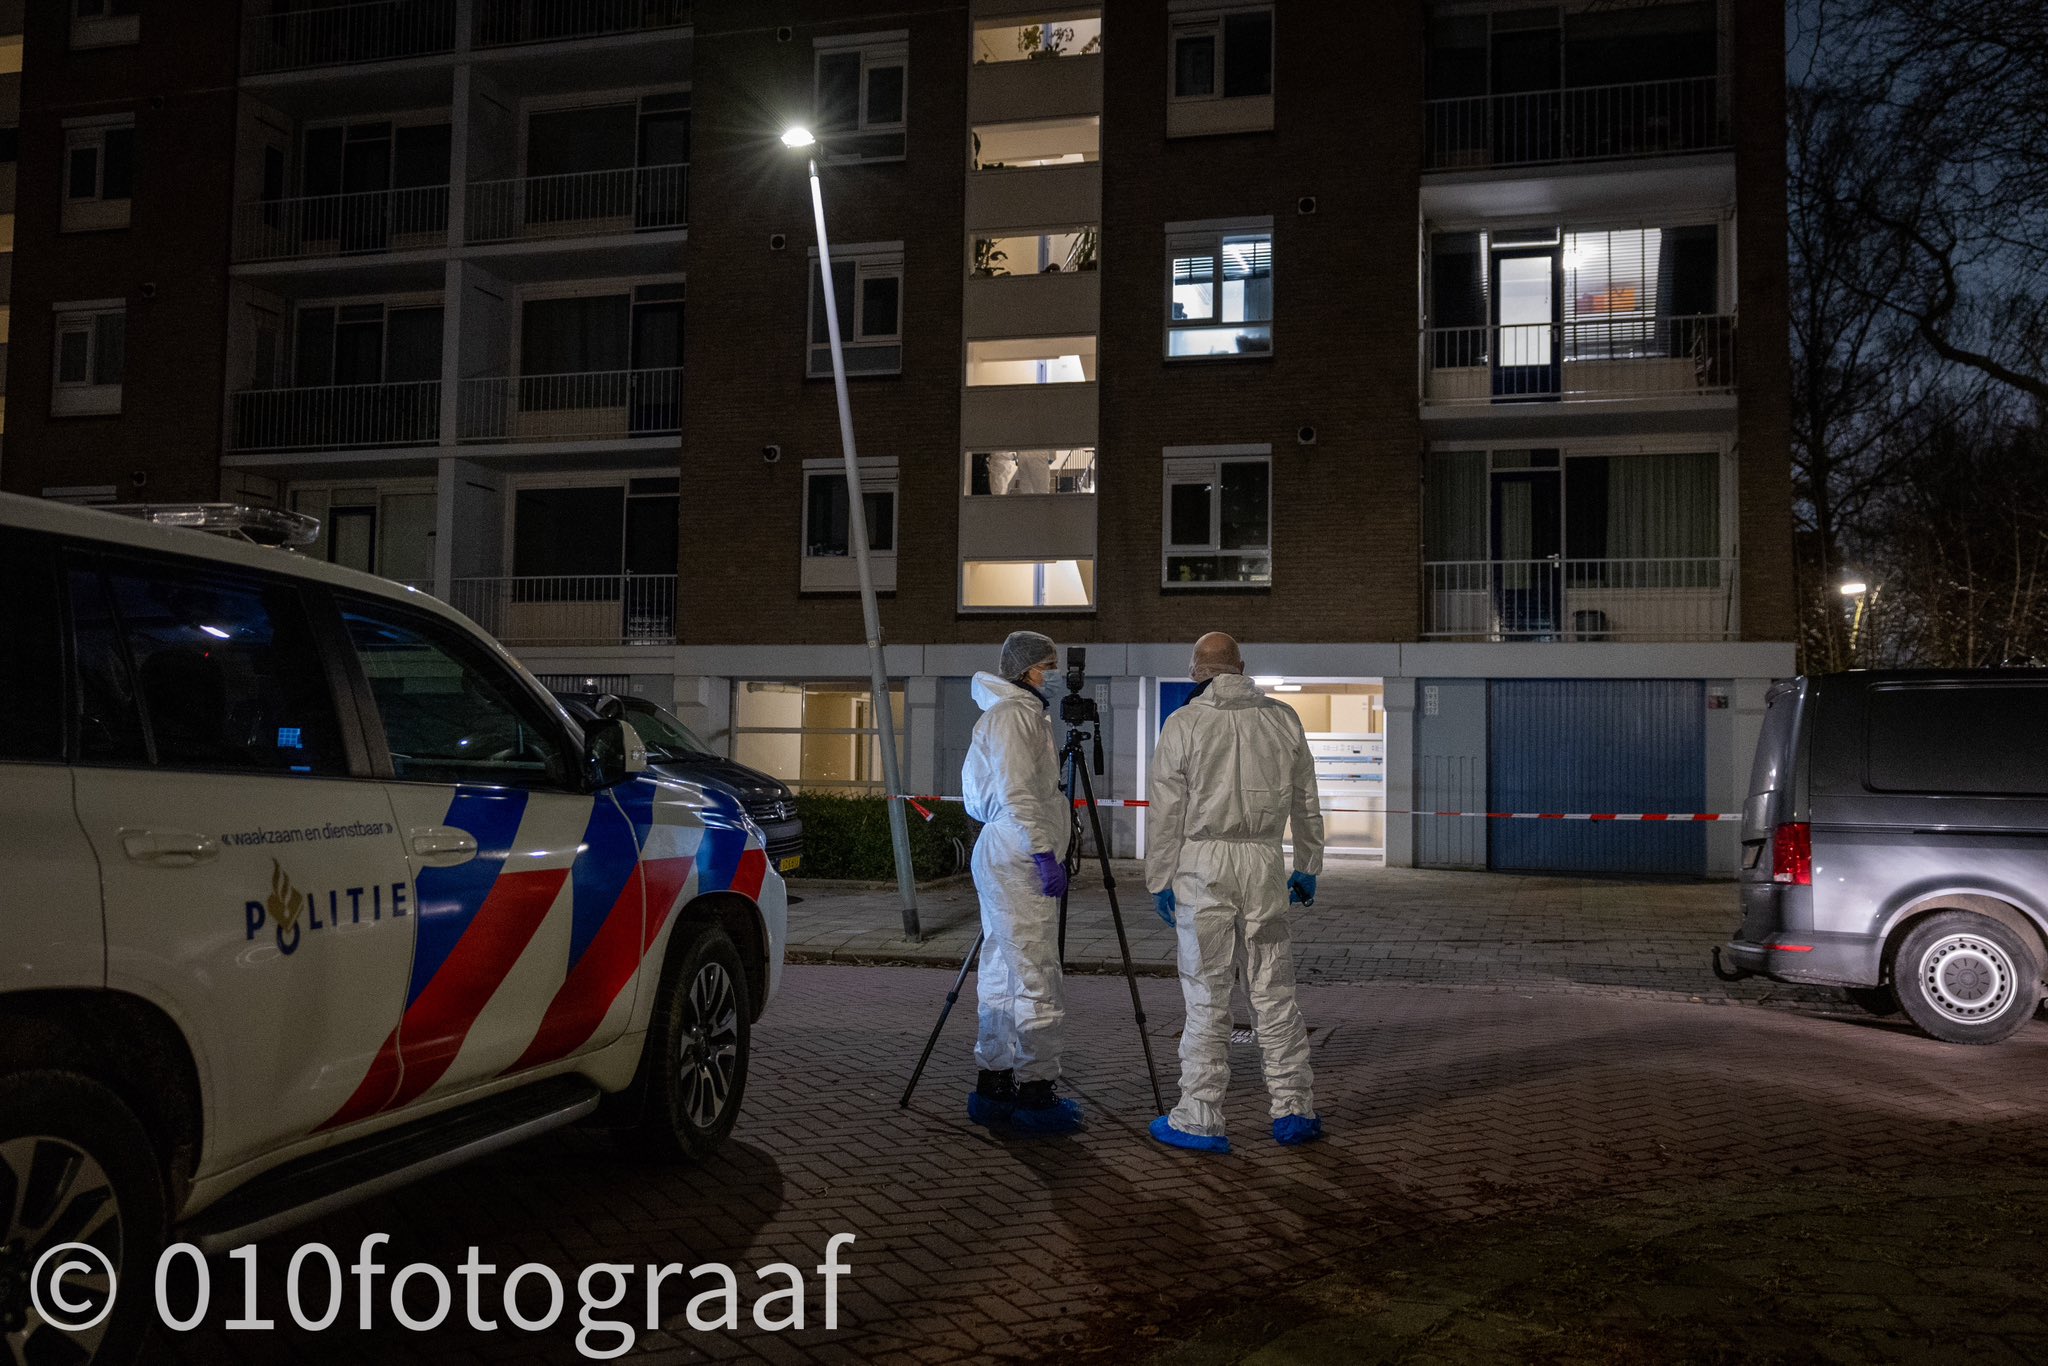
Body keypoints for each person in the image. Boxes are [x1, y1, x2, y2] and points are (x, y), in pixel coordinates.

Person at [1145, 632, 1326, 1152]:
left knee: (1207, 992)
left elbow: (1166, 812)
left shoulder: (1184, 723)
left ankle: (1199, 1116)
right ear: (1241, 668)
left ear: (1195, 672)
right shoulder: (1282, 719)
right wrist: (1308, 864)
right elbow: (1305, 799)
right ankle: (1294, 1108)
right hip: (1264, 861)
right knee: (1273, 988)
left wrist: (1160, 879)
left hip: (1203, 864)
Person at [960, 630, 1083, 1135]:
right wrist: (1043, 851)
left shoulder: (1015, 714)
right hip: (1019, 854)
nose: (1053, 674)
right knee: (1036, 969)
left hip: (1007, 849)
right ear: (1026, 670)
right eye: (1047, 665)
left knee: (1003, 967)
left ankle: (995, 1081)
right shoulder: (1014, 717)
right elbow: (1019, 792)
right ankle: (1037, 1090)